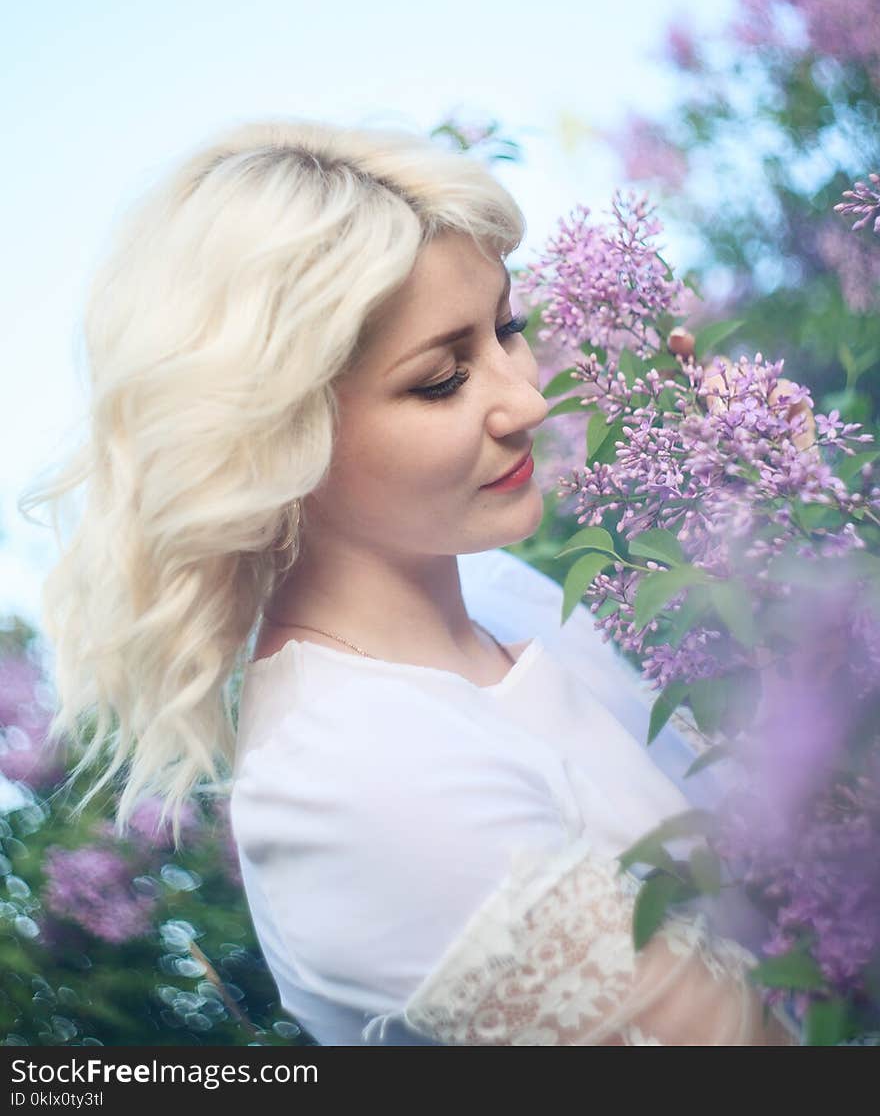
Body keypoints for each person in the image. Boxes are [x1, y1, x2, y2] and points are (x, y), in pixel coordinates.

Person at [22, 118, 801, 1046]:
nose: (526, 400)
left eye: (505, 328)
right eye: (441, 379)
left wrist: (786, 530)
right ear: (275, 437)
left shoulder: (503, 592)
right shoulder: (352, 782)